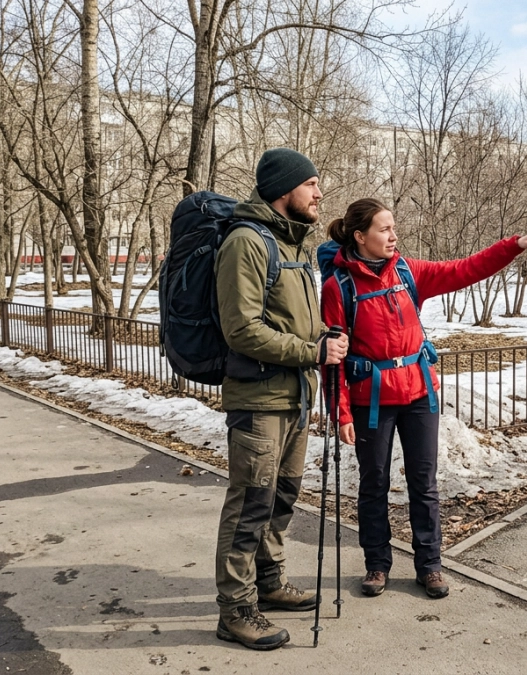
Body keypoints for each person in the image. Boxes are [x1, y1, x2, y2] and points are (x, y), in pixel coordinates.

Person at [319, 198, 527, 600]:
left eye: (394, 228)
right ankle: (377, 564)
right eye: (384, 229)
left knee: (423, 484)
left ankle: (430, 565)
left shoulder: (408, 271)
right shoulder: (338, 287)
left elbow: (464, 269)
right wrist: (340, 413)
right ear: (360, 236)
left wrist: (513, 245)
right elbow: (333, 359)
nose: (394, 236)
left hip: (419, 395)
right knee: (374, 483)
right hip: (370, 399)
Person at [213, 148, 348, 650]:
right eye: (310, 184)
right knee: (250, 503)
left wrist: (323, 334)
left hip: (294, 397)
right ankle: (235, 609)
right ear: (283, 189)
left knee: (282, 497)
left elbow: (291, 321)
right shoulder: (247, 242)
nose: (318, 193)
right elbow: (241, 328)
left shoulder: (292, 246)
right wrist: (312, 349)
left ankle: (268, 582)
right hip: (259, 400)